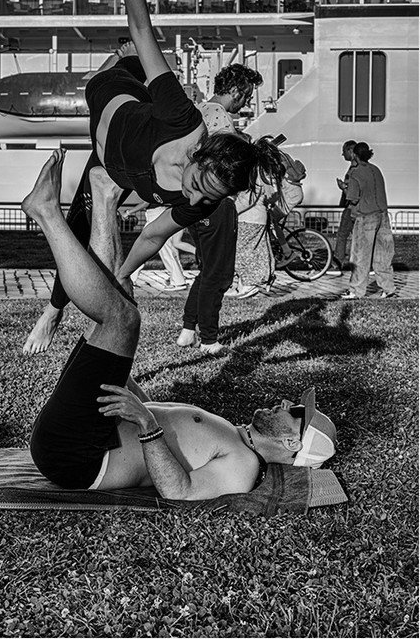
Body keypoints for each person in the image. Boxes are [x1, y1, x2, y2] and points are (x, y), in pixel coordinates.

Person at [23, 0, 285, 355]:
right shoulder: (182, 119)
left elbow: (153, 234)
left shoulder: (203, 199)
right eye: (197, 185)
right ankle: (53, 309)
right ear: (200, 154)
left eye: (206, 198)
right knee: (130, 63)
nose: (193, 199)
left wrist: (122, 278)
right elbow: (142, 26)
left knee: (106, 268)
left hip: (114, 166)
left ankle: (76, 292)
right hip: (117, 89)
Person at [24, 151, 337, 499]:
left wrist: (146, 423)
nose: (285, 402)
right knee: (120, 298)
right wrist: (120, 374)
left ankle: (47, 213)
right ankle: (105, 199)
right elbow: (162, 420)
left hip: (78, 455)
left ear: (292, 442)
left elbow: (179, 491)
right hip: (88, 433)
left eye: (295, 412)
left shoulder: (244, 465)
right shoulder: (234, 435)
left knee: (123, 319)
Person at [177, 63, 281, 354]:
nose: (246, 102)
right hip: (217, 203)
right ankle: (209, 340)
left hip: (195, 199)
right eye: (246, 95)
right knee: (219, 274)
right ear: (235, 89)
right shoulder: (220, 115)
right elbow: (228, 157)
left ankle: (188, 330)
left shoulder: (198, 110)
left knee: (206, 270)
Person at [341, 142, 396, 300]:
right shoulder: (376, 169)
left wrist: (344, 188)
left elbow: (353, 198)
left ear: (355, 155)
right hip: (383, 215)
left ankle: (356, 290)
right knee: (383, 255)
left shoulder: (355, 172)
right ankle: (388, 288)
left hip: (365, 216)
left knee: (360, 256)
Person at [126, 201, 194, 292]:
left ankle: (178, 282)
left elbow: (146, 203)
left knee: (163, 251)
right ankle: (130, 278)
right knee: (146, 249)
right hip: (158, 213)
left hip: (156, 214)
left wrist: (129, 212)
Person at [326, 140, 357, 276]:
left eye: (344, 151)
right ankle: (367, 265)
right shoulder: (362, 168)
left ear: (351, 151)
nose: (342, 154)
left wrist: (343, 187)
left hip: (351, 207)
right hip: (360, 208)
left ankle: (337, 264)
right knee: (360, 237)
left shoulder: (354, 169)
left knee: (342, 235)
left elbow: (352, 191)